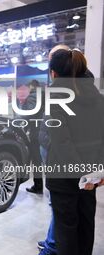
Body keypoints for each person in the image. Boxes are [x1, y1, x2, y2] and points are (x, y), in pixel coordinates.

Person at [46, 48, 104, 255]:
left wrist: (81, 174)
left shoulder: (56, 98)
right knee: (86, 226)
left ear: (54, 74)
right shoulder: (98, 97)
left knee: (66, 231)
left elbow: (62, 142)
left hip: (64, 176)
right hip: (91, 175)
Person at [36, 44, 71, 255]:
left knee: (58, 201)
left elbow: (62, 133)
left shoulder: (64, 91)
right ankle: (53, 239)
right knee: (55, 201)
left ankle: (53, 245)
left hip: (56, 153)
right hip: (50, 149)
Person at [22, 80, 44, 194]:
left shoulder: (32, 97)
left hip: (36, 133)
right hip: (46, 132)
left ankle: (38, 186)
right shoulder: (45, 95)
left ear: (31, 86)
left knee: (35, 161)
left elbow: (29, 113)